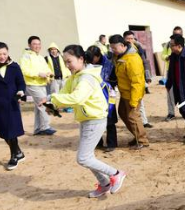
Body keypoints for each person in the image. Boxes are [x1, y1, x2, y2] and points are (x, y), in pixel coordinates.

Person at [41, 45, 126, 198]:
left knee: (83, 158)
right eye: (65, 62)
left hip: (94, 120)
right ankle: (105, 183)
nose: (67, 66)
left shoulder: (86, 78)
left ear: (81, 59)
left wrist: (51, 98)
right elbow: (64, 94)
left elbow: (76, 98)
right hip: (86, 119)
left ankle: (116, 173)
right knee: (87, 157)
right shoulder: (75, 75)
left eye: (69, 61)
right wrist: (53, 105)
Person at [109, 34, 149, 150]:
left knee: (132, 116)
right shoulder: (120, 57)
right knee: (122, 113)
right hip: (124, 93)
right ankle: (137, 135)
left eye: (114, 48)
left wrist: (134, 101)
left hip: (133, 94)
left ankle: (142, 141)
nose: (113, 51)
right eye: (111, 48)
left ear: (122, 45)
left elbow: (137, 82)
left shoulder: (132, 60)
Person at [19, 36, 56, 136]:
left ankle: (37, 129)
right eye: (35, 44)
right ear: (29, 45)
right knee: (44, 103)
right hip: (32, 84)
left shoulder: (40, 57)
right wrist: (38, 74)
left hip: (42, 84)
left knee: (38, 106)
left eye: (39, 44)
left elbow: (47, 69)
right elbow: (24, 70)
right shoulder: (26, 56)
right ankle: (45, 127)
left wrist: (49, 76)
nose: (37, 46)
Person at [86, 45, 118, 153]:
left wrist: (105, 84)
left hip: (108, 94)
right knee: (95, 119)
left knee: (110, 120)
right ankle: (97, 142)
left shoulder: (109, 65)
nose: (91, 61)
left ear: (98, 55)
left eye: (92, 58)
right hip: (94, 96)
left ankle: (112, 143)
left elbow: (115, 80)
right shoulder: (88, 65)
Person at [0, 42, 27, 170]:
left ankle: (14, 156)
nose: (2, 56)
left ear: (8, 53)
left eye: (4, 53)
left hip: (11, 103)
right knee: (4, 132)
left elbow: (21, 83)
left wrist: (21, 92)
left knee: (11, 131)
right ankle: (18, 152)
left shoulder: (14, 67)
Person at [162, 26, 184, 122]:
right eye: (175, 33)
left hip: (183, 72)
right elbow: (162, 55)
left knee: (184, 93)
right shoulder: (168, 44)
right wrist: (167, 57)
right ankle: (171, 113)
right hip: (170, 72)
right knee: (170, 93)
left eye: (178, 34)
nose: (176, 35)